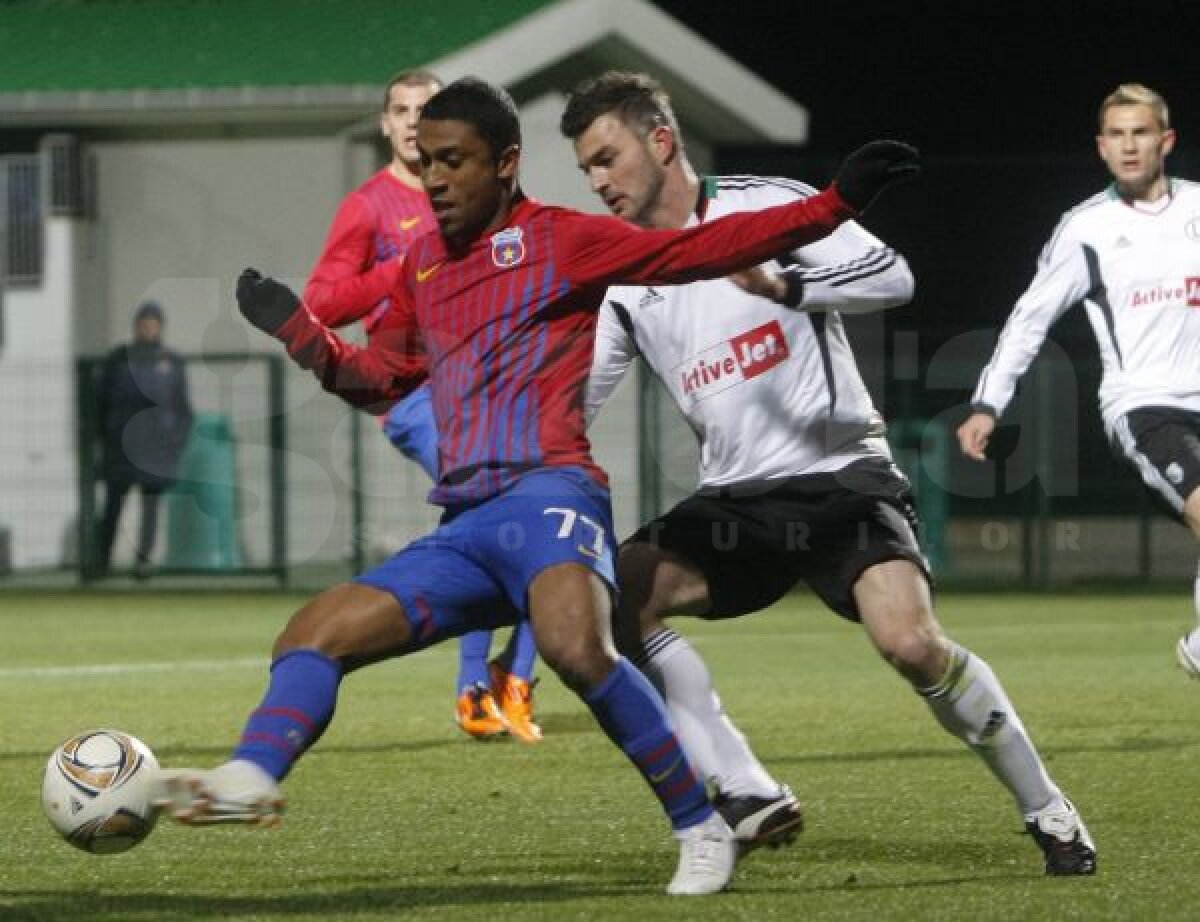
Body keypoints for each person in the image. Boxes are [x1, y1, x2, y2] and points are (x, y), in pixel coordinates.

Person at [156, 76, 917, 895]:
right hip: (467, 525)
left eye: (454, 161)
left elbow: (699, 250)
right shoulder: (423, 266)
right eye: (424, 162)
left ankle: (701, 826)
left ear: (507, 162)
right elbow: (380, 378)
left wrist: (834, 203)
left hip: (550, 496)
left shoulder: (563, 240)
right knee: (310, 635)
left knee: (575, 646)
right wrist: (303, 335)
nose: (434, 178)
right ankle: (252, 774)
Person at [559, 70, 1096, 875]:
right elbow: (576, 399)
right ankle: (744, 788)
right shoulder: (627, 274)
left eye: (607, 158)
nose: (599, 181)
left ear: (660, 141)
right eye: (587, 168)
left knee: (912, 644)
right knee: (612, 602)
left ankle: (1046, 806)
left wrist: (785, 283)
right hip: (735, 499)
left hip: (840, 476)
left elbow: (894, 276)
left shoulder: (763, 205)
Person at [304, 69, 540, 744]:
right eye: (402, 110)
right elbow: (322, 303)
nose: (414, 122)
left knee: (538, 511)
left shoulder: (480, 194)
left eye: (426, 110)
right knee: (498, 511)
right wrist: (410, 268)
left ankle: (513, 678)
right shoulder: (370, 207)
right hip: (413, 395)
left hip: (485, 385)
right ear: (385, 124)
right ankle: (477, 688)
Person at [958, 83, 1200, 677]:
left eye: (1140, 132)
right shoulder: (1085, 229)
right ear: (1100, 147)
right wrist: (989, 402)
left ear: (1165, 140)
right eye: (1116, 135)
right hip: (1144, 407)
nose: (1129, 146)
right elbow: (1029, 319)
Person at [94, 301, 194, 579]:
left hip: (157, 447)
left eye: (153, 324)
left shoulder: (171, 361)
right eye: (143, 323)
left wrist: (176, 439)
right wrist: (106, 437)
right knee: (113, 505)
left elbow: (182, 406)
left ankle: (143, 562)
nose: (148, 329)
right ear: (136, 326)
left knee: (151, 507)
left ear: (160, 327)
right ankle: (101, 562)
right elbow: (99, 403)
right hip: (120, 447)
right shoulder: (117, 360)